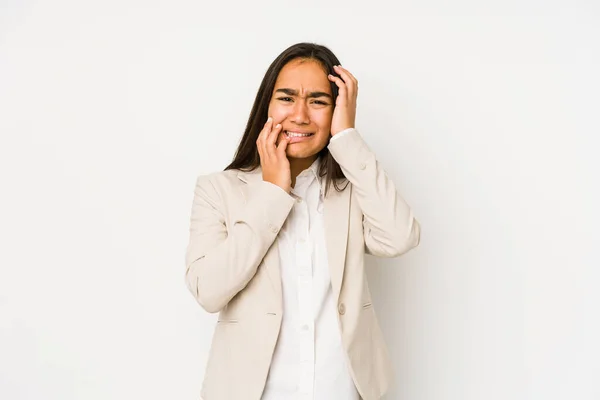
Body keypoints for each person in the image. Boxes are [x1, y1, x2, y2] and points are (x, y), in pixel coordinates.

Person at [185, 42, 421, 400]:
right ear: (266, 105)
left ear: (338, 110)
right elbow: (209, 290)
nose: (300, 115)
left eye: (318, 101)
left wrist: (346, 138)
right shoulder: (218, 190)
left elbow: (400, 237)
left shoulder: (353, 191)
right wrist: (273, 193)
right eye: (286, 98)